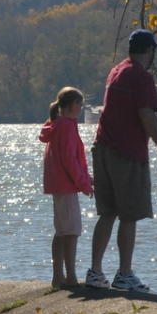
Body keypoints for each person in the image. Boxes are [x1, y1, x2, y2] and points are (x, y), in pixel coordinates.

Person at [86, 29, 157, 292]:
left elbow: (147, 91)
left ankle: (95, 272)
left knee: (107, 213)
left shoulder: (118, 70)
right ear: (150, 50)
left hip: (103, 147)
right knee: (129, 215)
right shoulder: (141, 76)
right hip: (127, 152)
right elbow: (146, 114)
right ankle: (125, 274)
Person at [39, 86, 94, 289]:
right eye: (80, 104)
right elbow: (70, 160)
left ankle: (58, 276)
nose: (81, 108)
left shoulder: (56, 124)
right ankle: (70, 277)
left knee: (62, 231)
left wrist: (86, 178)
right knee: (71, 232)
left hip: (59, 184)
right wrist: (84, 184)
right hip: (66, 185)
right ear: (72, 105)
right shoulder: (67, 126)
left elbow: (68, 159)